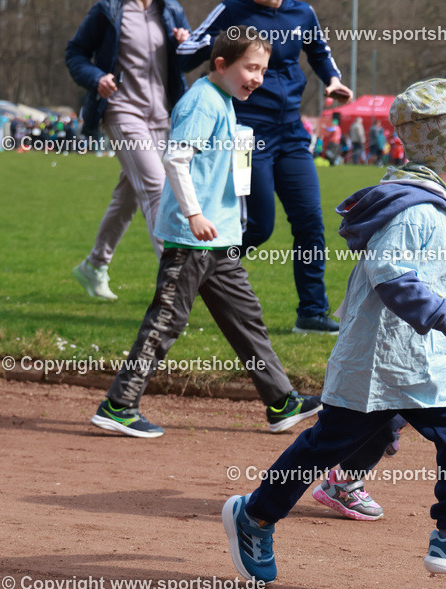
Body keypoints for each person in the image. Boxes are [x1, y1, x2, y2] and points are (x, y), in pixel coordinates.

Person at [222, 79, 446, 582]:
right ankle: (254, 515)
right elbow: (392, 275)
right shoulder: (416, 211)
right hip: (378, 365)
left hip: (423, 364)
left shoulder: (444, 207)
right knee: (324, 446)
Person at [90, 30, 321, 439]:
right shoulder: (202, 102)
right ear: (220, 65)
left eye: (263, 70)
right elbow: (176, 159)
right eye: (251, 68)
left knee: (246, 319)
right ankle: (119, 405)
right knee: (166, 321)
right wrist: (194, 214)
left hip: (219, 239)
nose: (258, 78)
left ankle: (280, 401)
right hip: (192, 238)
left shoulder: (224, 101)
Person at [309, 120, 446, 521]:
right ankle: (342, 482)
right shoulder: (434, 208)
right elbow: (395, 273)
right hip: (409, 338)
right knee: (389, 415)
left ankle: (366, 450)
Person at [179, 0, 354, 335]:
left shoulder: (302, 13)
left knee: (310, 221)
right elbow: (187, 53)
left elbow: (319, 50)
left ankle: (312, 312)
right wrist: (191, 41)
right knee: (258, 226)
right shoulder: (232, 10)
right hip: (245, 133)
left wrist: (332, 79)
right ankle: (193, 272)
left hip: (291, 133)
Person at [66, 0, 191, 301]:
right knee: (156, 186)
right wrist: (97, 78)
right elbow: (75, 53)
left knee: (128, 195)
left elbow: (190, 59)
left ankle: (94, 264)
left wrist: (187, 45)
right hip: (121, 110)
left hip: (161, 115)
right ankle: (175, 280)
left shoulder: (170, 9)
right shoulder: (108, 9)